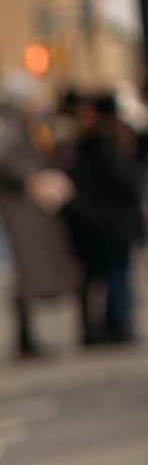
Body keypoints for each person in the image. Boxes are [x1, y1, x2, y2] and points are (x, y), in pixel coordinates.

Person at [0, 75, 82, 359]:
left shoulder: (27, 124)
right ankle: (26, 337)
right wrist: (30, 177)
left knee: (34, 269)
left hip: (29, 207)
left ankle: (28, 335)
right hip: (20, 208)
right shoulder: (8, 125)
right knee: (27, 269)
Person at [65, 91, 144, 345]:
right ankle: (115, 324)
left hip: (95, 218)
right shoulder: (105, 143)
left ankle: (97, 327)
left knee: (97, 277)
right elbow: (123, 181)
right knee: (114, 274)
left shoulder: (84, 142)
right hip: (110, 219)